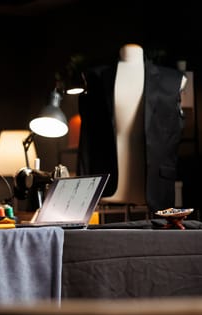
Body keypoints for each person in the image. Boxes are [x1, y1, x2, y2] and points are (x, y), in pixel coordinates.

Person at [77, 43, 187, 213]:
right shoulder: (95, 77)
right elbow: (87, 140)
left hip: (154, 185)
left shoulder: (172, 80)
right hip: (106, 185)